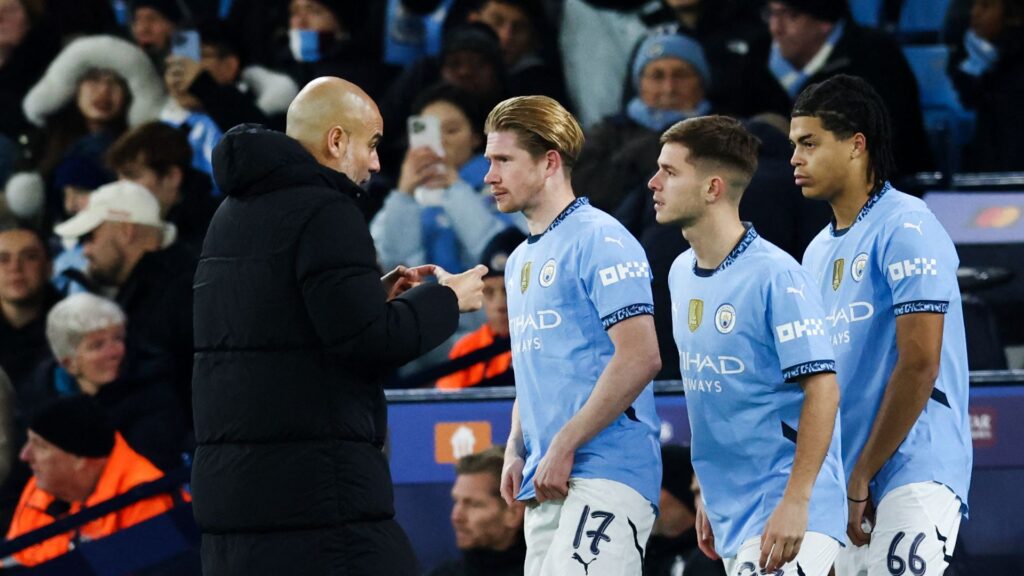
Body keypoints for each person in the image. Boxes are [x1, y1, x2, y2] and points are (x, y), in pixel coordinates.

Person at [191, 77, 487, 576]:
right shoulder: (327, 209)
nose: (376, 163)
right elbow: (370, 342)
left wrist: (369, 295)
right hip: (319, 503)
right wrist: (447, 300)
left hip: (239, 510)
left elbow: (280, 325)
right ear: (335, 141)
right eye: (371, 144)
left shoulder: (230, 214)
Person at [793, 75, 972, 575]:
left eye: (809, 143)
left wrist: (863, 473)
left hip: (911, 467)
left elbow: (920, 363)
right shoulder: (815, 252)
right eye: (793, 145)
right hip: (848, 483)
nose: (795, 159)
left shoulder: (907, 225)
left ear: (856, 145)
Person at [651, 115, 845, 575]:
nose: (653, 182)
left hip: (789, 503)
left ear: (713, 188)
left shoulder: (776, 276)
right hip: (731, 510)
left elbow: (823, 389)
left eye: (670, 171)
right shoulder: (681, 273)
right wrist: (710, 493)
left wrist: (797, 502)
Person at [487, 95, 662, 575]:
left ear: (549, 163)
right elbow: (534, 366)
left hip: (608, 471)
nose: (489, 176)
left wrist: (563, 443)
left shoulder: (601, 239)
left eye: (504, 160)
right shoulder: (521, 259)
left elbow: (641, 357)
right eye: (489, 160)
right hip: (548, 477)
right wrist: (515, 445)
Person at [52, 180, 195, 418]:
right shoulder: (161, 284)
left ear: (126, 231)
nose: (85, 251)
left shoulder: (177, 293)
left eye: (90, 237)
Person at [2, 395, 180, 568]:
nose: (24, 455)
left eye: (40, 446)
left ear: (80, 459)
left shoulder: (147, 499)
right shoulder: (42, 485)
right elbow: (17, 559)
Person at [761, 0, 934, 176]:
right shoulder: (758, 60)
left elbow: (888, 147)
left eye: (791, 16)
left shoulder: (875, 59)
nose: (775, 28)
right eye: (772, 14)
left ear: (824, 21)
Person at [18, 293, 186, 472]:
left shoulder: (152, 390)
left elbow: (149, 468)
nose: (114, 352)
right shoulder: (38, 398)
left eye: (118, 338)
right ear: (69, 364)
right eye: (97, 345)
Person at [105, 121, 219, 253]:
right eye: (119, 179)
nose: (121, 188)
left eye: (133, 176)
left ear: (171, 177)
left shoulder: (218, 230)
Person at [436, 227, 525, 390]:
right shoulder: (467, 348)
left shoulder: (543, 343)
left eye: (509, 290)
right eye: (489, 292)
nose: (500, 304)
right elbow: (446, 408)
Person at [428, 445, 526, 576]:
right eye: (456, 501)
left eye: (474, 504)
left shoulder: (544, 571)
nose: (456, 517)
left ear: (513, 513)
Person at [950, 0, 1024, 171]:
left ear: (1012, 17)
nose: (974, 13)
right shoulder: (966, 54)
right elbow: (967, 98)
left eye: (985, 6)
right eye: (973, 5)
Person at [644, 444, 725, 576]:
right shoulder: (638, 555)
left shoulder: (719, 555)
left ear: (680, 495)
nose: (645, 498)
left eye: (653, 489)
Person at [0, 223, 59, 390]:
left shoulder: (74, 325)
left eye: (30, 257)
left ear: (49, 268)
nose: (15, 268)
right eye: (3, 259)